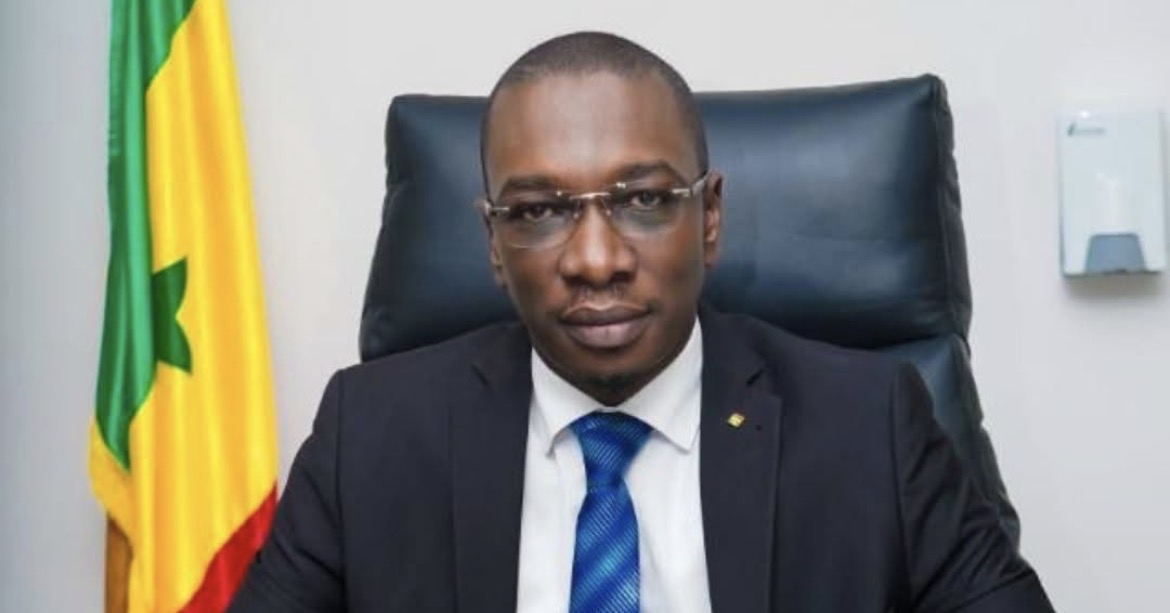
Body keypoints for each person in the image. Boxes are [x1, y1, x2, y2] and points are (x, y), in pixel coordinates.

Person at [231, 32, 1053, 612]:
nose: (596, 259)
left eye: (645, 200)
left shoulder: (869, 426)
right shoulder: (369, 436)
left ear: (710, 217)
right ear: (493, 244)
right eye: (540, 210)